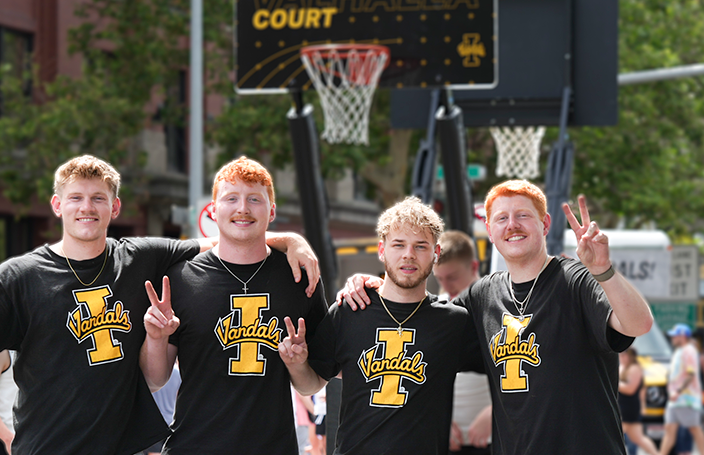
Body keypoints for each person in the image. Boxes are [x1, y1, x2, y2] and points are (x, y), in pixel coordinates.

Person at [0, 155, 320, 455]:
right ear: (57, 205)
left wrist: (291, 240)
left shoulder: (142, 257)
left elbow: (228, 239)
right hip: (46, 445)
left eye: (98, 198)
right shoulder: (19, 276)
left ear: (115, 207)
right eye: (75, 197)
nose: (86, 208)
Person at [338, 181, 654, 454]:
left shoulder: (574, 279)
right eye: (501, 218)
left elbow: (638, 324)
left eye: (523, 216)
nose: (511, 225)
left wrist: (603, 271)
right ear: (490, 231)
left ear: (544, 225)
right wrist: (383, 286)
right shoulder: (481, 296)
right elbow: (422, 322)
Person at [137, 156, 329, 454]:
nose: (243, 208)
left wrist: (298, 363)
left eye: (255, 199)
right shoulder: (180, 278)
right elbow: (154, 379)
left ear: (271, 210)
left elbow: (311, 386)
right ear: (213, 210)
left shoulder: (298, 277)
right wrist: (156, 338)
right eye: (231, 198)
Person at [278, 197, 480, 454]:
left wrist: (485, 413)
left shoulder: (454, 323)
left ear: (436, 253)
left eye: (420, 246)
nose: (408, 254)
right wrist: (296, 364)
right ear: (382, 250)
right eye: (398, 244)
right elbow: (312, 384)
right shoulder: (349, 310)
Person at [433, 230, 494, 454]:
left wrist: (493, 412)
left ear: (474, 267)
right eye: (440, 278)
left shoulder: (497, 308)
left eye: (452, 277)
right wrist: (438, 421)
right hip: (447, 441)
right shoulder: (437, 311)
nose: (446, 286)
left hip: (492, 440)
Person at [659, 324, 704, 455]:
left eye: (675, 335)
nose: (672, 337)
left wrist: (678, 391)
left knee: (694, 429)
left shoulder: (689, 350)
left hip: (686, 398)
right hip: (676, 399)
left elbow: (691, 374)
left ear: (683, 337)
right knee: (669, 430)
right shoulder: (680, 351)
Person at [621, 347, 660, 455]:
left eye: (624, 355)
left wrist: (614, 384)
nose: (621, 358)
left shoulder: (635, 368)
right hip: (625, 407)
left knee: (613, 434)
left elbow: (630, 389)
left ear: (630, 356)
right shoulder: (624, 368)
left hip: (628, 408)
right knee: (638, 438)